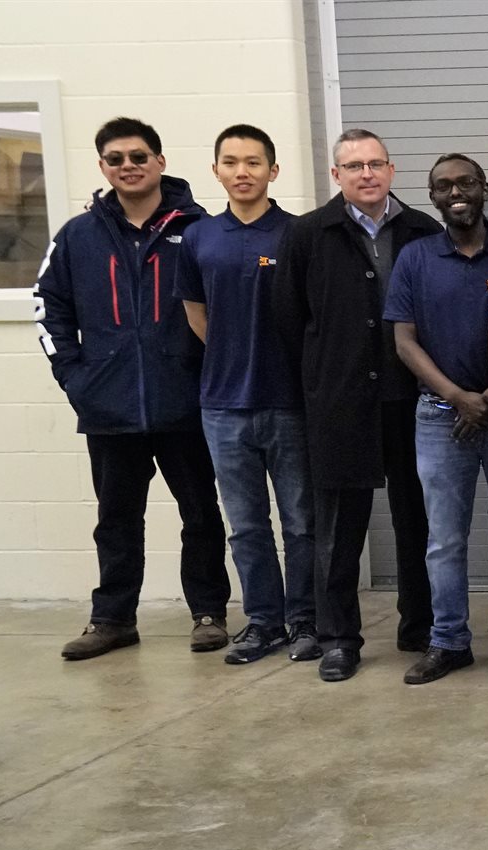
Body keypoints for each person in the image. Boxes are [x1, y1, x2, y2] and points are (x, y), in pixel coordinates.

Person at [35, 117, 230, 661]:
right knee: (117, 519)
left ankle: (209, 613)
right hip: (109, 408)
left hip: (185, 402)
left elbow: (227, 310)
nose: (128, 166)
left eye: (139, 156)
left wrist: (212, 374)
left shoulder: (198, 229)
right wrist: (76, 379)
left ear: (160, 162)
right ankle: (112, 619)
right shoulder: (78, 236)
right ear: (103, 167)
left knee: (200, 512)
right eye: (116, 158)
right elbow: (48, 307)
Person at [277, 128, 442, 682]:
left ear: (391, 170)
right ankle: (339, 637)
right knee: (339, 528)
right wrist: (320, 381)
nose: (366, 174)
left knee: (415, 520)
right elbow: (288, 320)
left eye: (376, 164)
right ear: (336, 175)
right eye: (354, 166)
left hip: (410, 400)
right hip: (340, 403)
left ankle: (418, 626)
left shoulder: (422, 231)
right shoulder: (307, 235)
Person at [179, 124, 316, 665]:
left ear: (273, 171)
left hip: (289, 404)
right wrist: (234, 352)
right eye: (231, 162)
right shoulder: (199, 238)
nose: (243, 172)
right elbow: (196, 312)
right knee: (247, 526)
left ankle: (305, 620)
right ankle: (264, 623)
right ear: (216, 171)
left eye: (254, 162)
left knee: (302, 522)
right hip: (223, 408)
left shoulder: (298, 234)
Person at [386, 153, 488, 681]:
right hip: (440, 417)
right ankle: (449, 641)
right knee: (444, 537)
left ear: (485, 188)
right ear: (434, 197)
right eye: (444, 186)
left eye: (466, 182)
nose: (456, 192)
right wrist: (458, 397)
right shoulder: (416, 258)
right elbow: (404, 340)